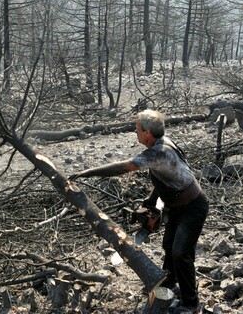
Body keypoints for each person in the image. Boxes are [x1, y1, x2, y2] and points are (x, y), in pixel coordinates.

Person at [69, 109, 209, 314]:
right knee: (169, 247)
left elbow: (125, 167)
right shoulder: (160, 146)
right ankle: (167, 285)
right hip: (177, 205)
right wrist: (152, 201)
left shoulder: (159, 151)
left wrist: (89, 172)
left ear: (148, 133)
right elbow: (166, 177)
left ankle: (190, 303)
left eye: (137, 129)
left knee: (181, 253)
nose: (135, 132)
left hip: (192, 207)